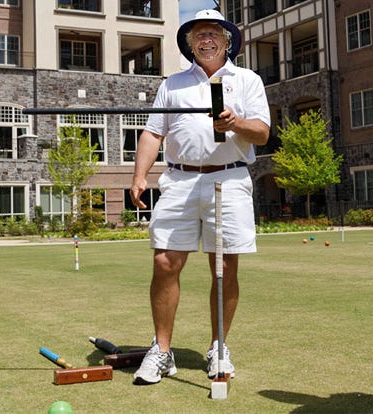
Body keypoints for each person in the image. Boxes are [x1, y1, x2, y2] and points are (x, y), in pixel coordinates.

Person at [130, 9, 270, 385]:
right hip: (179, 180)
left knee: (224, 267)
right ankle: (162, 351)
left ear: (226, 41)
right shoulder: (172, 84)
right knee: (164, 262)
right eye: (199, 35)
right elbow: (153, 133)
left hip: (229, 179)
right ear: (191, 45)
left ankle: (218, 347)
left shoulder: (248, 80)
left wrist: (235, 122)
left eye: (213, 33)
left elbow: (261, 133)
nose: (206, 39)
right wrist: (139, 176)